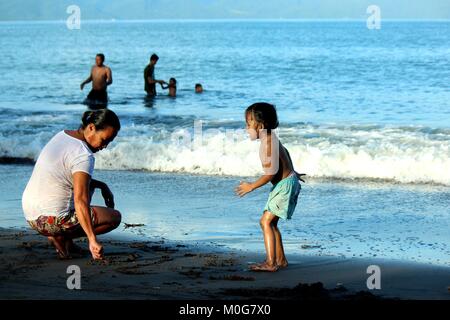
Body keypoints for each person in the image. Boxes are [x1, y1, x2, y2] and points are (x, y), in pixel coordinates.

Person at [22, 109, 122, 260]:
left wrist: (102, 186)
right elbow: (80, 200)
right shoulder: (84, 156)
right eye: (104, 140)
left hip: (31, 215)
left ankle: (63, 238)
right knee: (114, 218)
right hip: (51, 220)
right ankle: (60, 237)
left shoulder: (63, 135)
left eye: (109, 142)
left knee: (89, 185)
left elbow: (64, 176)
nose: (105, 146)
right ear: (91, 128)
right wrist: (92, 240)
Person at [235, 102, 304, 272]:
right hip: (287, 182)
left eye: (249, 124)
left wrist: (252, 186)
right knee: (271, 223)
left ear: (261, 125)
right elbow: (286, 153)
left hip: (284, 185)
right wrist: (293, 172)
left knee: (265, 221)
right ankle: (280, 260)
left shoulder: (268, 143)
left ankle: (271, 263)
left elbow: (271, 173)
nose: (246, 128)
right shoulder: (272, 138)